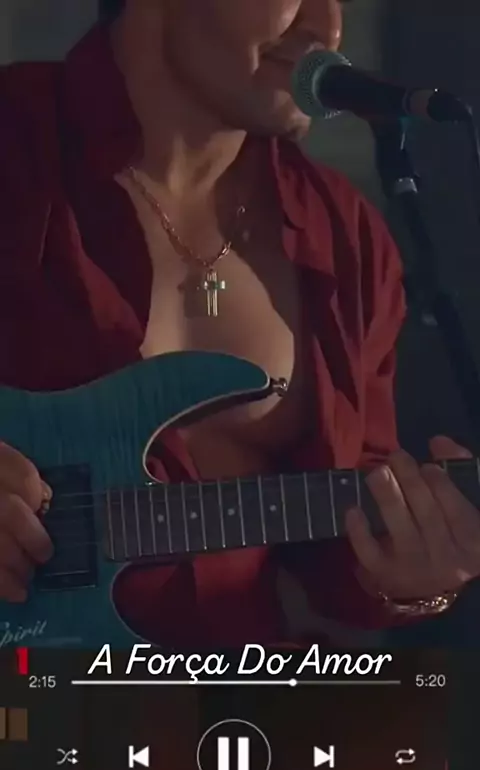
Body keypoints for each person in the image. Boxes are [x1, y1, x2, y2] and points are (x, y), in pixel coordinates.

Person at [0, 0, 479, 647]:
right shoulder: (15, 143)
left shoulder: (347, 236)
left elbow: (339, 566)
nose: (327, 28)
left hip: (235, 693)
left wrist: (412, 576)